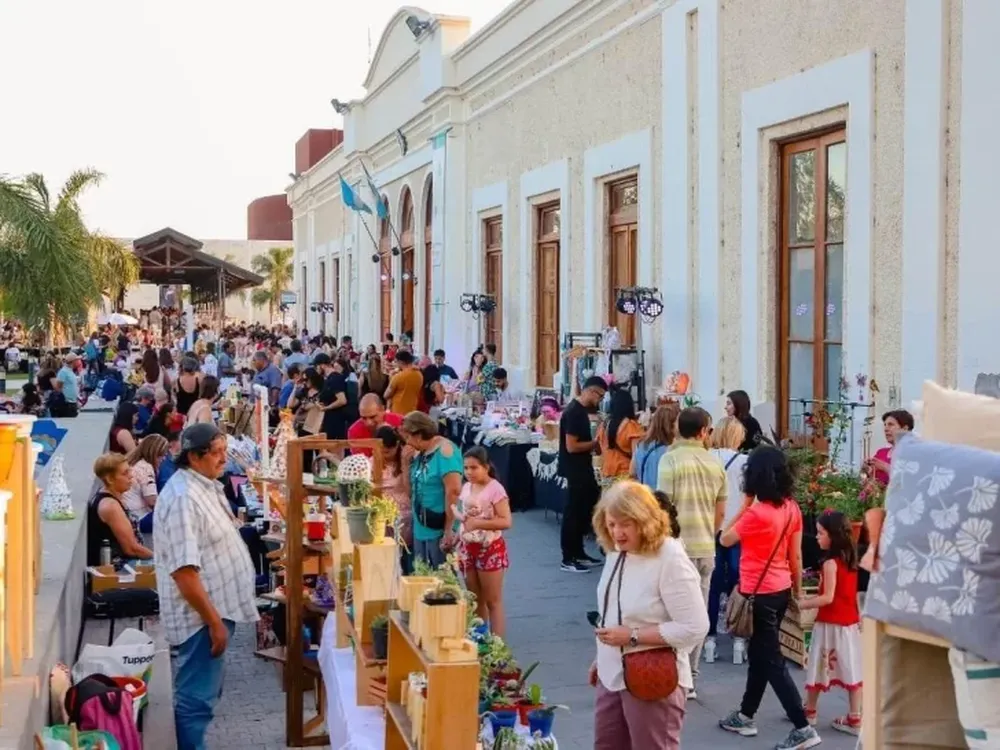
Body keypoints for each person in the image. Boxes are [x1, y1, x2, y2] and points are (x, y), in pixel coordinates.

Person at [153, 423, 259, 750]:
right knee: (196, 701)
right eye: (217, 453)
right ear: (195, 456)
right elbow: (184, 572)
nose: (224, 459)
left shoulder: (202, 485)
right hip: (200, 618)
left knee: (205, 695)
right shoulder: (183, 498)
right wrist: (214, 623)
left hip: (213, 612)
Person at [589, 481, 709, 750]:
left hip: (653, 677)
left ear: (644, 521)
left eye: (625, 524)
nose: (617, 532)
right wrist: (602, 656)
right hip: (613, 674)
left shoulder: (669, 556)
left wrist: (632, 637)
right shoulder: (616, 552)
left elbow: (695, 627)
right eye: (611, 524)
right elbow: (613, 608)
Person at [719, 446, 820, 749]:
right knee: (760, 657)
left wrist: (745, 504)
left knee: (771, 660)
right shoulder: (791, 508)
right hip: (780, 588)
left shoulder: (756, 513)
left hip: (756, 593)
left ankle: (802, 728)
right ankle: (746, 714)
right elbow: (796, 555)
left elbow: (724, 538)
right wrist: (799, 593)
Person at [656, 406, 726, 695]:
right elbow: (720, 512)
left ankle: (673, 669)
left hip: (675, 547)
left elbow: (662, 506)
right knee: (697, 613)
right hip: (705, 546)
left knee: (669, 611)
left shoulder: (670, 460)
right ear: (702, 432)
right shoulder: (715, 464)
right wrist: (709, 533)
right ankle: (691, 677)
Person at [800, 511, 863, 735]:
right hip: (849, 625)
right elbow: (853, 594)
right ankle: (855, 717)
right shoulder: (851, 560)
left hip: (829, 624)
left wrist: (804, 603)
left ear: (833, 536)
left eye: (820, 533)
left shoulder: (830, 564)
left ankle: (810, 711)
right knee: (852, 669)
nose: (816, 537)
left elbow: (828, 597)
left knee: (818, 667)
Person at [453, 446, 512, 636]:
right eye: (466, 468)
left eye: (474, 467)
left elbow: (506, 521)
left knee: (492, 601)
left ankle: (498, 646)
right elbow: (464, 517)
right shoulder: (467, 487)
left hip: (490, 549)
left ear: (486, 467)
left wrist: (479, 523)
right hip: (469, 547)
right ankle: (481, 639)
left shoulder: (496, 489)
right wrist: (457, 535)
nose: (469, 472)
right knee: (475, 598)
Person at [705, 416, 749, 665]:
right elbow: (748, 499)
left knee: (712, 583)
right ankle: (738, 638)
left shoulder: (706, 459)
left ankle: (709, 639)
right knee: (737, 583)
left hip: (710, 528)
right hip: (736, 529)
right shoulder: (744, 462)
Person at [399, 411, 462, 567]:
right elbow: (410, 493)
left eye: (408, 437)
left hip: (439, 527)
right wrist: (405, 465)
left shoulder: (445, 452)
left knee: (442, 578)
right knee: (423, 576)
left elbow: (453, 492)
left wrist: (449, 530)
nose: (407, 442)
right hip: (420, 526)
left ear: (419, 435)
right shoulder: (420, 453)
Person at [558, 376, 607, 573]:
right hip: (574, 468)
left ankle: (579, 552)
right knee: (573, 512)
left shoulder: (586, 412)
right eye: (599, 396)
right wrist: (595, 444)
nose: (600, 400)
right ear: (590, 391)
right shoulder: (575, 412)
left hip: (584, 466)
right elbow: (572, 446)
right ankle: (568, 557)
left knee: (583, 510)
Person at [89, 453, 153, 567]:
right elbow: (131, 549)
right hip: (118, 569)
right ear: (109, 479)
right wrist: (160, 559)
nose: (131, 476)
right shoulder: (110, 505)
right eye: (125, 473)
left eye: (129, 471)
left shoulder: (113, 497)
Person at [376, 424, 413, 572]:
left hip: (404, 518)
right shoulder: (373, 462)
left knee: (404, 560)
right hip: (382, 519)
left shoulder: (406, 461)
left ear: (397, 445)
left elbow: (408, 488)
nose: (385, 455)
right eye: (382, 451)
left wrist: (404, 463)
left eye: (388, 451)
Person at [123, 434, 170, 535]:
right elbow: (152, 500)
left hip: (131, 514)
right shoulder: (145, 468)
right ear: (154, 453)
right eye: (161, 455)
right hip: (139, 518)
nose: (164, 459)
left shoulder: (133, 463)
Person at [597, 388, 643, 479]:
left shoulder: (604, 425)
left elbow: (599, 448)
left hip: (607, 474)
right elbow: (637, 456)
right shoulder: (631, 427)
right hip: (625, 475)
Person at [631, 403, 679, 488]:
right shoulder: (672, 449)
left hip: (645, 496)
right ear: (671, 425)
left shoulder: (642, 445)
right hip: (663, 497)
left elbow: (632, 472)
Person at [865, 409, 914, 485]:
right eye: (885, 425)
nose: (886, 429)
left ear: (904, 429)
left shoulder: (914, 453)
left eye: (891, 425)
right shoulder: (881, 452)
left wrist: (885, 467)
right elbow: (873, 478)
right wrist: (867, 469)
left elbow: (910, 481)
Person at [385, 350, 423, 414]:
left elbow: (386, 395)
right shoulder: (419, 374)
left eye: (396, 362)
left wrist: (391, 377)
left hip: (398, 412)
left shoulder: (398, 377)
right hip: (412, 411)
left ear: (400, 362)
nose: (395, 364)